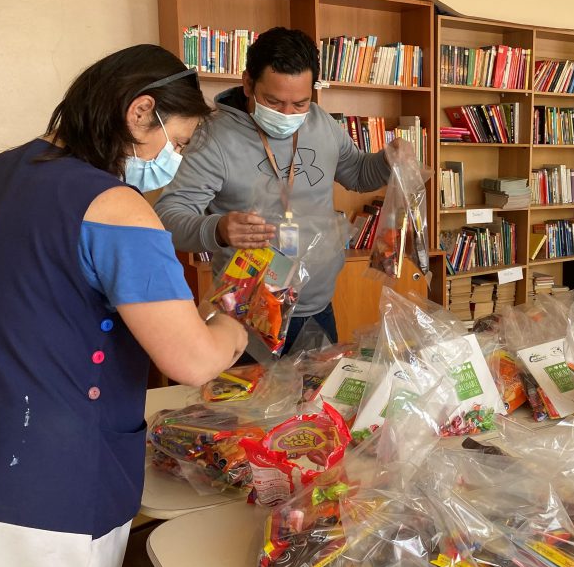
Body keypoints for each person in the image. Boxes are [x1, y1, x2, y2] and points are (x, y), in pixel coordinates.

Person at [0, 46, 247, 567]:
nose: (169, 162)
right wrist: (235, 322)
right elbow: (193, 361)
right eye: (172, 142)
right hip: (50, 492)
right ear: (139, 112)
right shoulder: (116, 207)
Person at [157, 26, 413, 350]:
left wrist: (388, 159)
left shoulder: (321, 123)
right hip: (249, 315)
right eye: (274, 102)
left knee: (315, 400)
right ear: (248, 83)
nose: (288, 114)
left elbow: (357, 174)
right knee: (250, 402)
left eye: (300, 103)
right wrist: (218, 228)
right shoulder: (213, 137)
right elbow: (168, 216)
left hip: (318, 308)